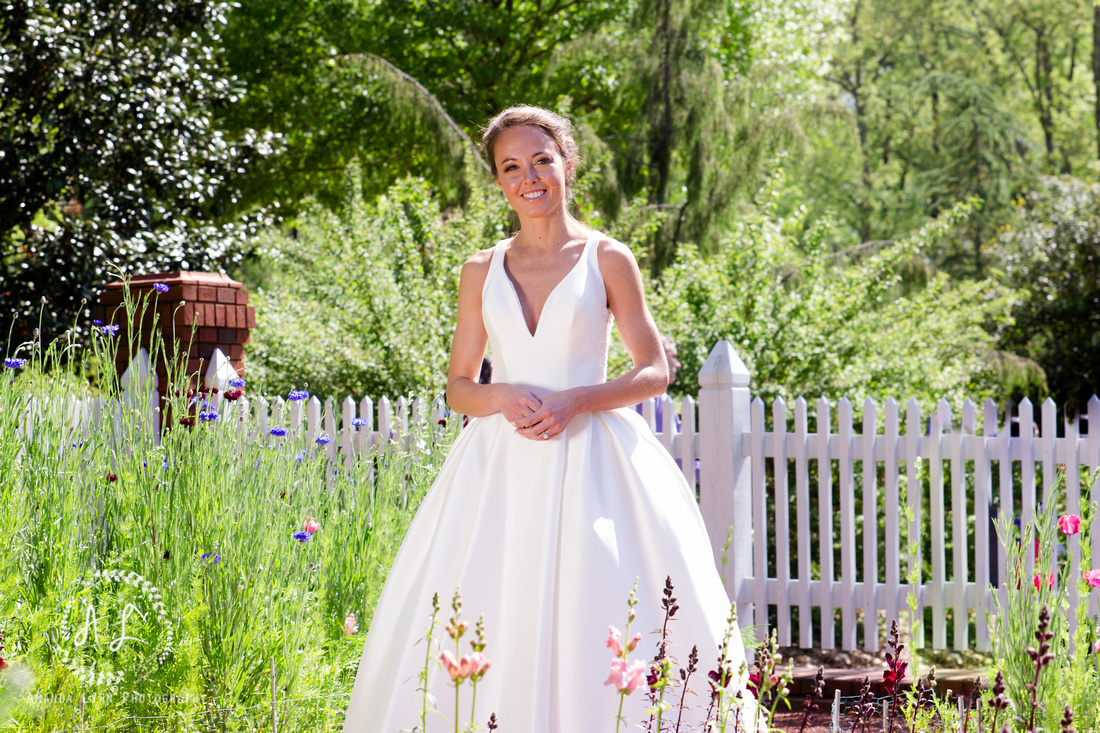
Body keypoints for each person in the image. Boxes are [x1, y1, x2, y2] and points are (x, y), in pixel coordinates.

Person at [342, 105, 755, 732]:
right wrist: (501, 395)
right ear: (499, 181)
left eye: (541, 159)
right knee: (487, 602)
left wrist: (576, 400)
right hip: (498, 469)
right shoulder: (479, 270)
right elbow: (459, 387)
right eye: (511, 166)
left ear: (566, 163)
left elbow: (654, 370)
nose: (528, 176)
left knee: (601, 601)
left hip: (597, 458)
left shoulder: (609, 258)